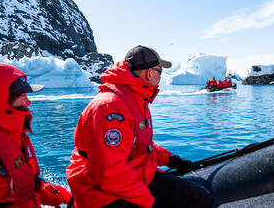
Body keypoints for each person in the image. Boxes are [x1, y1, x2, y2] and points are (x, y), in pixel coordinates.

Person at [67, 45, 213, 208]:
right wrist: (149, 202)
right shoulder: (111, 107)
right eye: (160, 71)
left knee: (198, 197)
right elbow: (111, 174)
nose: (160, 77)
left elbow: (140, 146)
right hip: (100, 195)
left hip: (134, 176)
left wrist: (171, 159)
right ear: (149, 73)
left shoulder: (136, 98)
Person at [0, 62, 72, 207]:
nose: (28, 102)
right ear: (1, 98)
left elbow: (33, 185)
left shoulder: (17, 135)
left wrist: (68, 198)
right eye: (23, 96)